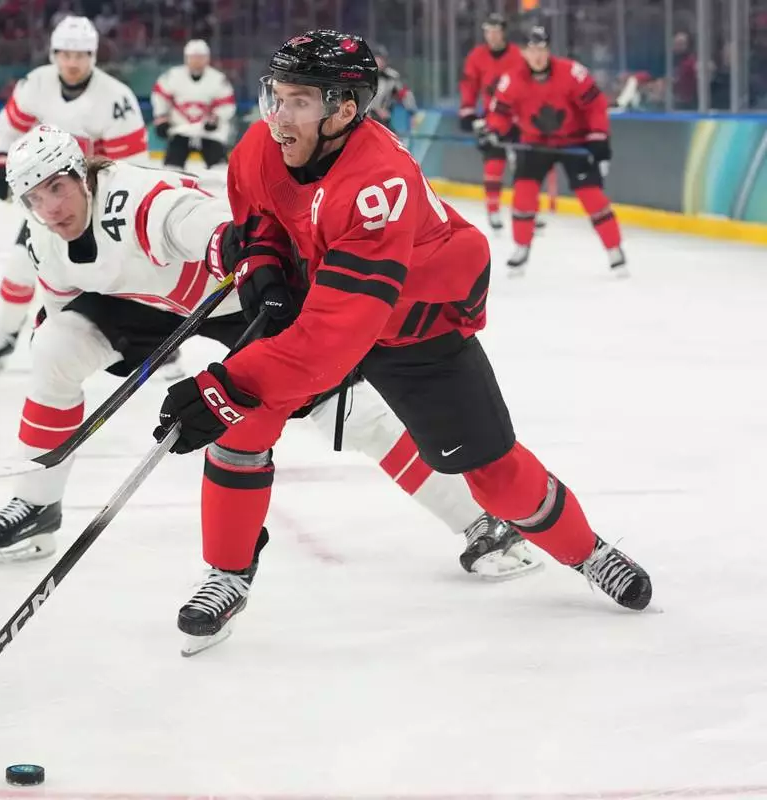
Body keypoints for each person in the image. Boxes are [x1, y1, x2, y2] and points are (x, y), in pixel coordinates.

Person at [152, 29, 652, 651]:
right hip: (333, 292)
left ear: (343, 110)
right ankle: (227, 573)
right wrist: (264, 268)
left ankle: (588, 551)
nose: (279, 115)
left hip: (415, 318)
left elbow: (333, 339)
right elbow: (262, 222)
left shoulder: (376, 182)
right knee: (243, 423)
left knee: (494, 475)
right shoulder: (262, 144)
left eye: (299, 101)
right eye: (275, 95)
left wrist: (227, 385)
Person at [0, 124, 538, 589]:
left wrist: (232, 246)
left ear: (81, 174)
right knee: (55, 347)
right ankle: (36, 505)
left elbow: (189, 218)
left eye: (57, 188)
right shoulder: (43, 238)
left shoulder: (131, 198)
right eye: (34, 198)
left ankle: (479, 521)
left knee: (350, 413)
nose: (49, 208)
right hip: (150, 304)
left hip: (235, 292)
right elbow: (63, 300)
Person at [0, 15, 149, 373]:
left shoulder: (116, 98)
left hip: (98, 204)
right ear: (54, 54)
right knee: (20, 266)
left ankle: (156, 341)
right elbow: (10, 129)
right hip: (50, 204)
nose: (73, 63)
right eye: (66, 54)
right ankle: (5, 335)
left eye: (81, 55)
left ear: (93, 56)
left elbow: (132, 167)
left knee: (119, 278)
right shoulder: (35, 84)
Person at [481, 25, 626, 276]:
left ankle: (614, 249)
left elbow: (595, 105)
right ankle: (521, 248)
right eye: (531, 50)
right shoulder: (512, 79)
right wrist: (492, 131)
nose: (537, 56)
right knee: (523, 194)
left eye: (541, 49)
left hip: (574, 141)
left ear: (548, 50)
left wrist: (599, 138)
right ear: (523, 53)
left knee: (592, 195)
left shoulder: (572, 73)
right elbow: (500, 113)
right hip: (535, 143)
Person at [458, 13, 527, 231]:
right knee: (494, 164)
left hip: (518, 119)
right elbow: (469, 85)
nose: (492, 36)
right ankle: (493, 210)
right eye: (488, 31)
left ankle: (525, 210)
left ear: (503, 32)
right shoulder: (477, 56)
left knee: (524, 168)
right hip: (493, 118)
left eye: (496, 31)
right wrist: (468, 111)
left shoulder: (517, 55)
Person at [151, 39, 236, 170]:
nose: (196, 61)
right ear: (186, 58)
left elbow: (227, 103)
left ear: (207, 58)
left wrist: (216, 118)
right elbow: (160, 96)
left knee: (220, 169)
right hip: (180, 129)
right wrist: (161, 117)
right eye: (193, 57)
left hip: (209, 133)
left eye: (200, 57)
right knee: (171, 169)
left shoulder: (218, 79)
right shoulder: (172, 76)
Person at [367, 45, 417, 132]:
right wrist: (375, 110)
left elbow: (404, 94)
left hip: (384, 119)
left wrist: (412, 113)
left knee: (391, 137)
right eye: (377, 58)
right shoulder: (364, 76)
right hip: (366, 118)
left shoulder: (392, 77)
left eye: (382, 59)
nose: (380, 62)